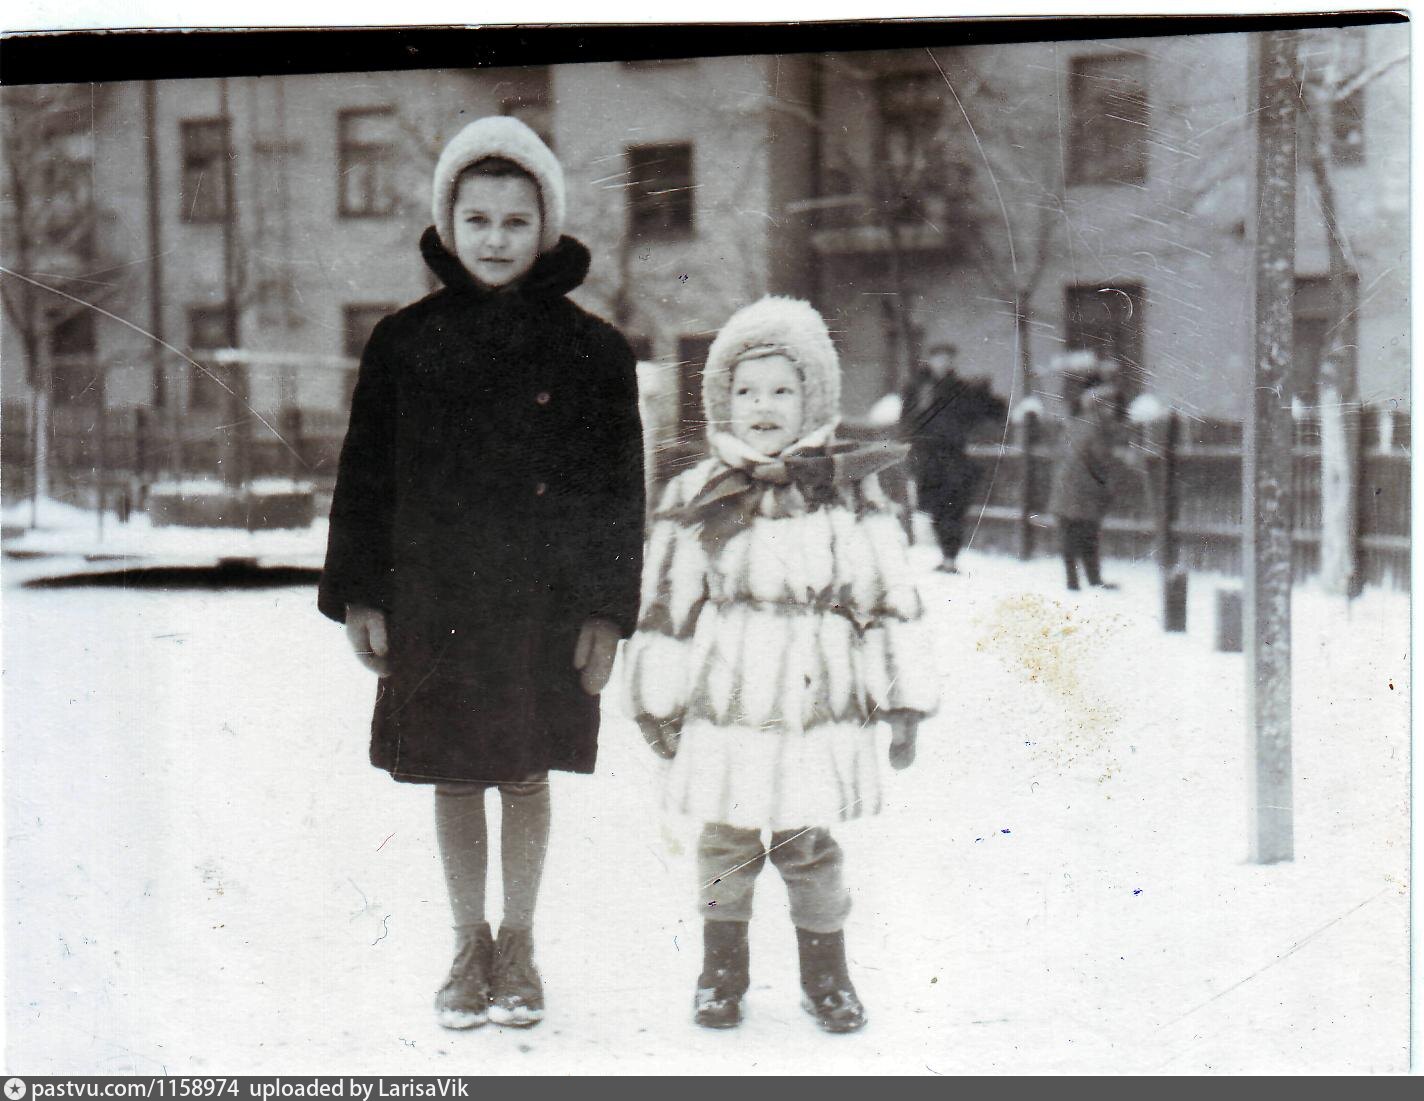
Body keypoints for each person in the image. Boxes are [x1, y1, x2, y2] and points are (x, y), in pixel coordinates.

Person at [318, 116, 645, 1031]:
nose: (495, 238)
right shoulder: (402, 342)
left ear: (545, 225)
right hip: (437, 601)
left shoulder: (593, 349)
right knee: (456, 775)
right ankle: (469, 944)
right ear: (448, 225)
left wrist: (606, 612)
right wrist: (362, 594)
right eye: (478, 219)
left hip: (543, 608)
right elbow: (365, 477)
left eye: (514, 219)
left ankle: (521, 942)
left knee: (527, 771)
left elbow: (616, 492)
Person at [623, 297, 939, 1034]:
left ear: (814, 399)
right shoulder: (698, 496)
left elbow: (886, 602)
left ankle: (826, 975)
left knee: (809, 846)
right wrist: (657, 699)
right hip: (728, 714)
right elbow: (669, 607)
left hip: (812, 714)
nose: (763, 406)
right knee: (727, 844)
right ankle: (720, 974)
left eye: (782, 390)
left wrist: (901, 701)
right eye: (746, 390)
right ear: (721, 400)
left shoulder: (851, 495)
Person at [899, 342, 1008, 572]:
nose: (944, 363)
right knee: (935, 509)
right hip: (927, 456)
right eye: (939, 358)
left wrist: (986, 393)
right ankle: (946, 554)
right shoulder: (919, 388)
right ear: (930, 360)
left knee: (953, 507)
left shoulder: (960, 389)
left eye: (948, 358)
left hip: (953, 457)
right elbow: (907, 419)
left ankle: (950, 557)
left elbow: (989, 411)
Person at [1049, 380, 1120, 591]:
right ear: (1100, 406)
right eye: (1109, 405)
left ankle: (1073, 581)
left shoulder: (1074, 424)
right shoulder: (1098, 428)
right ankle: (1093, 579)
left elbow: (1059, 453)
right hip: (1085, 489)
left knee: (1069, 535)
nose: (1113, 409)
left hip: (1065, 487)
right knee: (1088, 535)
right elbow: (1100, 457)